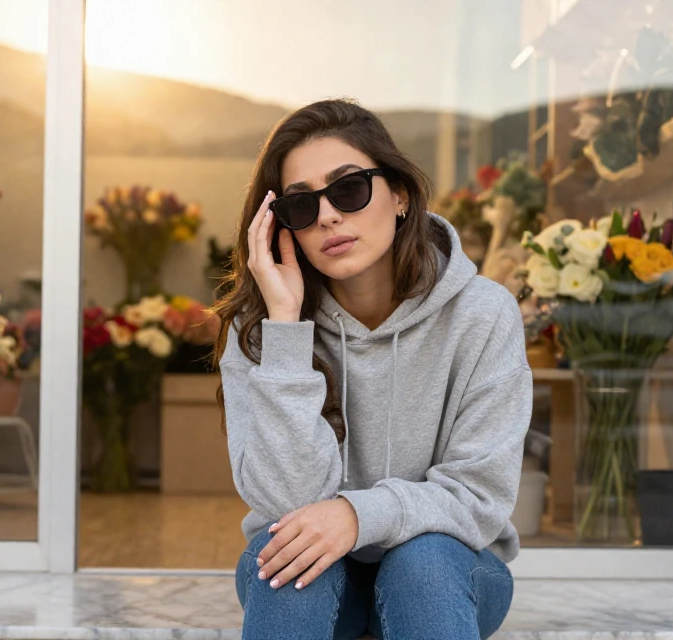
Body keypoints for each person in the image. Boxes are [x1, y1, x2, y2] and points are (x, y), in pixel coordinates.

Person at [213, 99, 531, 640]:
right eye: (301, 205)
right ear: (281, 228)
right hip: (315, 576)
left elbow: (479, 496)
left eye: (349, 189)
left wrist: (357, 515)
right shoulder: (261, 327)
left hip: (448, 573)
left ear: (400, 194)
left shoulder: (482, 314)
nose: (328, 216)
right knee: (291, 564)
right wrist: (286, 327)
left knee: (423, 563)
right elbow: (285, 506)